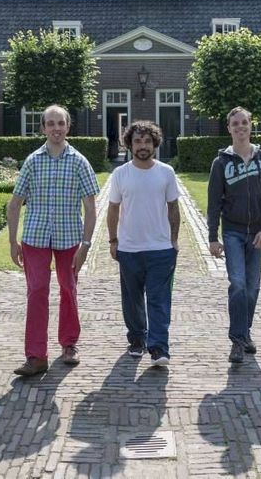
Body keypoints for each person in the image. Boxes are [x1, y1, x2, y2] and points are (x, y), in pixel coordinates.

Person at [7, 104, 99, 377]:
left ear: (68, 127)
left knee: (68, 289)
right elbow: (14, 204)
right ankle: (36, 356)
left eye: (61, 123)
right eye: (51, 123)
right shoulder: (33, 161)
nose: (56, 128)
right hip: (35, 237)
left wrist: (85, 245)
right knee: (36, 292)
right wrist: (13, 242)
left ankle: (69, 343)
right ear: (43, 128)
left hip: (69, 237)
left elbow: (91, 208)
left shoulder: (80, 161)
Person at [207, 106, 261, 364]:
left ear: (251, 126)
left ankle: (245, 333)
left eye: (244, 123)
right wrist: (212, 237)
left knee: (252, 289)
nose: (240, 127)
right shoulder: (221, 163)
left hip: (256, 234)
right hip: (233, 233)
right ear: (229, 128)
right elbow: (214, 203)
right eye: (235, 123)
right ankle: (238, 341)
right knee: (237, 284)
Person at [106, 121, 180, 368]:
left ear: (155, 143)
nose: (142, 146)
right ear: (130, 144)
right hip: (129, 249)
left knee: (159, 300)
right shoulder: (120, 174)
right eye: (137, 141)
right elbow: (113, 208)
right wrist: (113, 239)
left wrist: (174, 241)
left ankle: (159, 347)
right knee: (132, 299)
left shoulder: (166, 172)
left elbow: (173, 208)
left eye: (147, 141)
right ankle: (137, 339)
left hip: (161, 249)